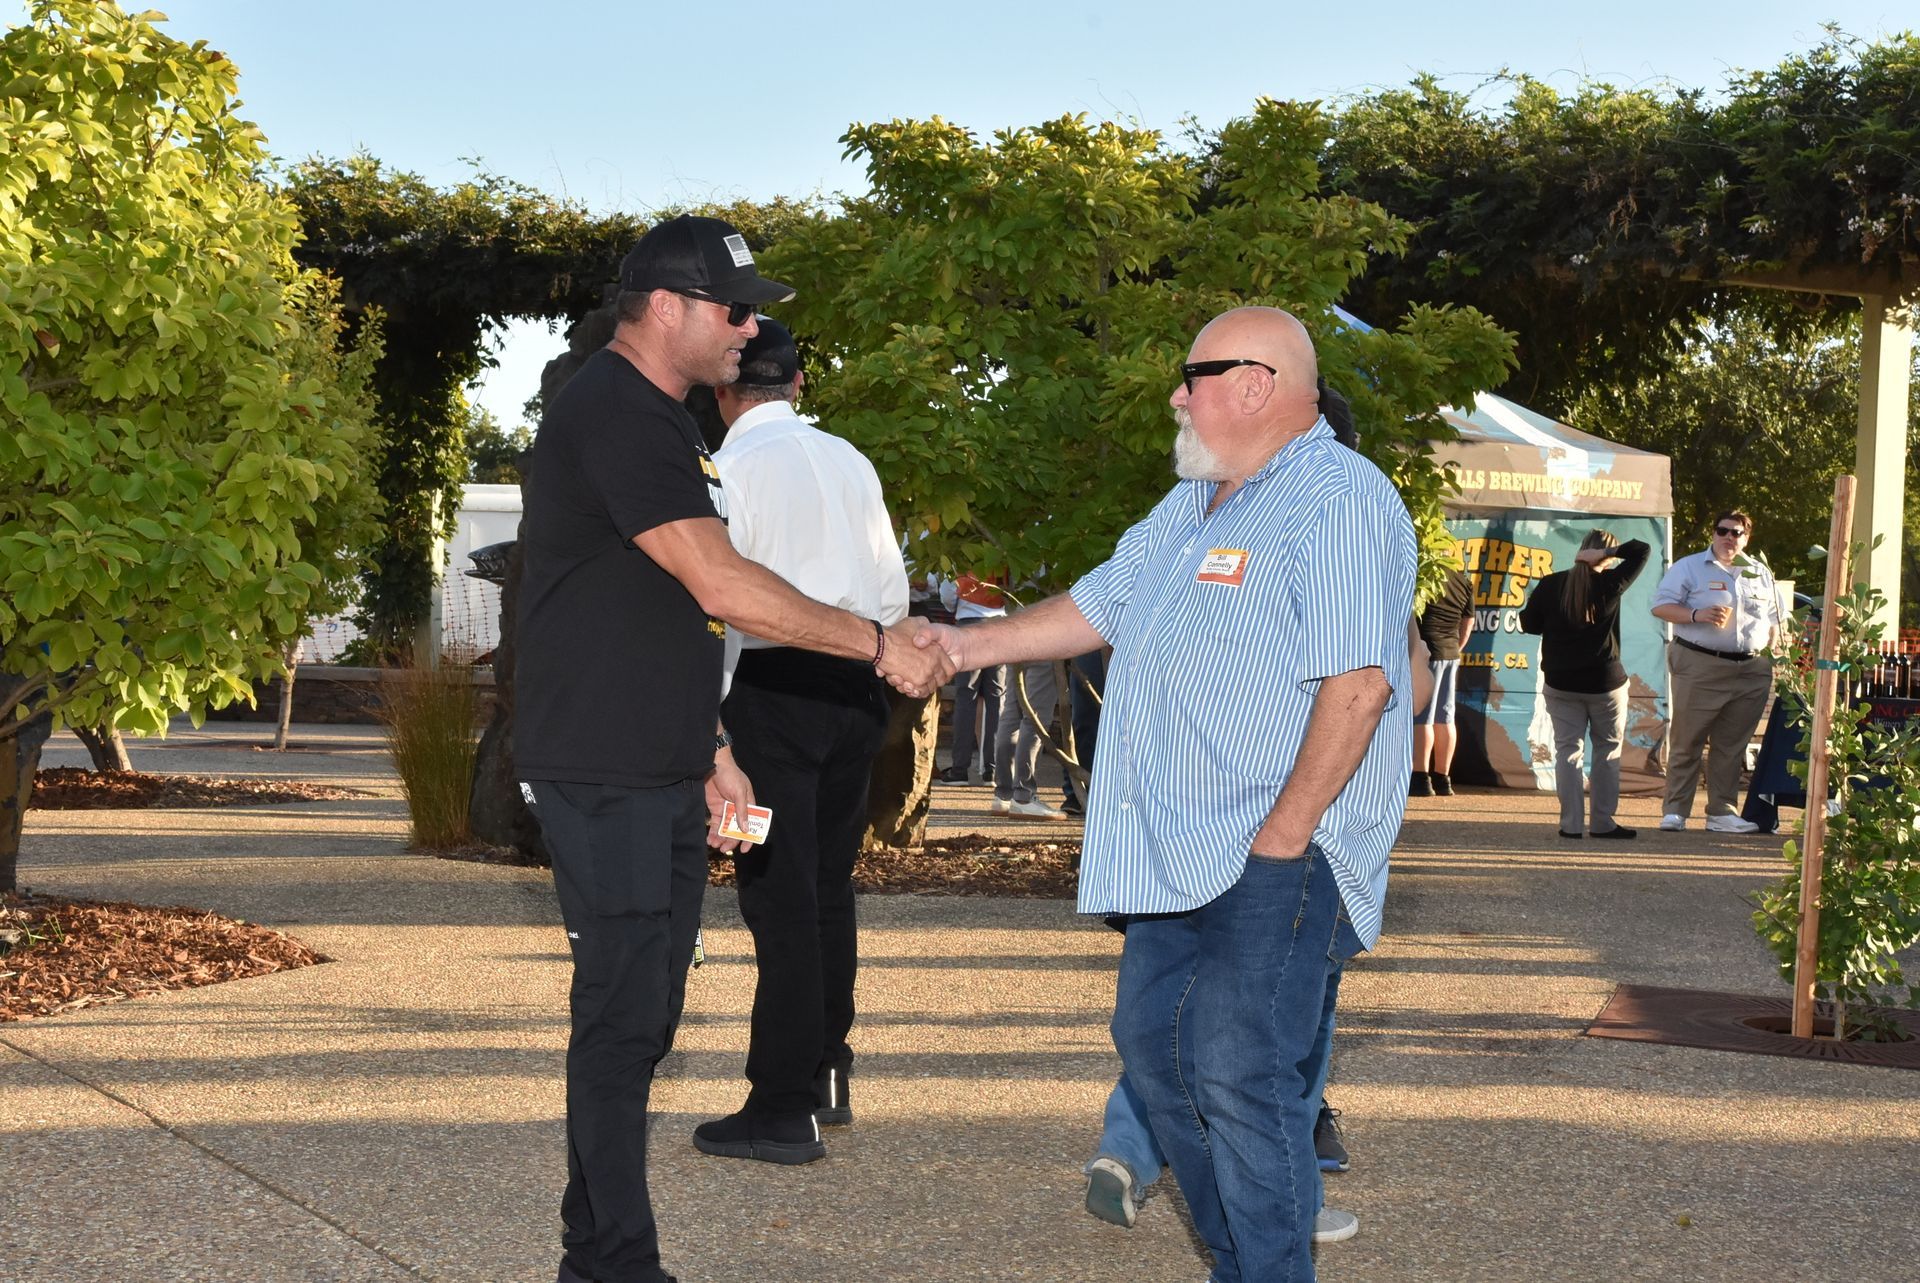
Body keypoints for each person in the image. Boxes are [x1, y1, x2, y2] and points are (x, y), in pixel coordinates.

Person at [915, 306, 1416, 1281]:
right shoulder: (1192, 504)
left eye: (1196, 375)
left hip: (1278, 851)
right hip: (1177, 849)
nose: (1178, 395)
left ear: (1259, 383)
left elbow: (1360, 688)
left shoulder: (1342, 497)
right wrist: (962, 645)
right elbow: (1100, 603)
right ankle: (1244, 1259)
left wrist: (1283, 837)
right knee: (1154, 1048)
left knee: (1240, 1073)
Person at [515, 215, 951, 1283]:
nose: (750, 326)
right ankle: (612, 1260)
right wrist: (879, 642)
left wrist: (710, 741)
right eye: (734, 307)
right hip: (602, 764)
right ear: (665, 307)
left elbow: (666, 610)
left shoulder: (667, 425)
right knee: (624, 1018)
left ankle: (600, 1244)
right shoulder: (616, 408)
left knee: (646, 1011)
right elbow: (719, 582)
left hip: (659, 758)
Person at [692, 317, 909, 1165]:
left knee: (774, 897)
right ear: (800, 384)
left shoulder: (726, 469)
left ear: (722, 391)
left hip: (766, 699)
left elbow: (718, 603)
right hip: (855, 689)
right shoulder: (850, 460)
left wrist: (711, 737)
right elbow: (889, 594)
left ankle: (781, 1105)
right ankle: (825, 1072)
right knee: (825, 887)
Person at [1648, 510, 1782, 833]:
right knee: (1687, 738)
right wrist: (1697, 614)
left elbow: (1777, 619)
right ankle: (1676, 811)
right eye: (1723, 531)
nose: (1729, 538)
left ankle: (1722, 811)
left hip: (1751, 668)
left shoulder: (1761, 573)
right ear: (1713, 533)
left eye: (1736, 533)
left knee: (1732, 744)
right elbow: (1659, 606)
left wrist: (1775, 648)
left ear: (1746, 538)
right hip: (1700, 662)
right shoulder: (1689, 567)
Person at [1520, 530, 1651, 839]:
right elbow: (1641, 549)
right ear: (1605, 557)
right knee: (1607, 750)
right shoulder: (1611, 583)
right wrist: (1612, 552)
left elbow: (1529, 624)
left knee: (1567, 751)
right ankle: (1603, 823)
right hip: (1605, 683)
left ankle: (1571, 824)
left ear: (1581, 551)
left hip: (1561, 681)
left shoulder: (1552, 583)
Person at [938, 571, 1007, 783]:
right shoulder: (1002, 548)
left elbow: (948, 595)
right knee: (997, 698)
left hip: (968, 625)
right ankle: (993, 769)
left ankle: (960, 770)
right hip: (999, 624)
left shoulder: (962, 553)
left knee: (966, 697)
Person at [1411, 561, 1474, 796]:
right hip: (1451, 653)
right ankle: (1443, 778)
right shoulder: (1463, 580)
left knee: (1422, 717)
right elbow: (1469, 622)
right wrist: (1456, 646)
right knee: (1445, 717)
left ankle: (1420, 778)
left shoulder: (1424, 574)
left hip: (1428, 651)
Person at [992, 653, 1070, 819]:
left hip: (1016, 643)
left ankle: (1003, 795)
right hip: (1045, 644)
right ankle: (1023, 797)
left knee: (1012, 714)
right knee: (1035, 719)